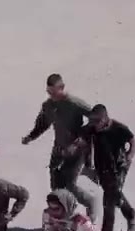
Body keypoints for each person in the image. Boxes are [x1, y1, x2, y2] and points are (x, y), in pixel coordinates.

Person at [21, 73, 101, 223]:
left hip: (76, 151)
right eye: (48, 92)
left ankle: (90, 202)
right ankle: (62, 217)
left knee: (69, 184)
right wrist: (31, 137)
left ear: (62, 88)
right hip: (58, 149)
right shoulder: (48, 106)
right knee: (55, 186)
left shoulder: (74, 103)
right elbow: (42, 124)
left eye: (54, 92)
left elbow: (96, 119)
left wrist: (79, 140)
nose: (51, 96)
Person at [86, 104, 135, 231]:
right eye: (92, 120)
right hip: (102, 168)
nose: (94, 124)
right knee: (115, 195)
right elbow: (87, 146)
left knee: (109, 199)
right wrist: (89, 167)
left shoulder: (119, 128)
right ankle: (131, 214)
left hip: (119, 167)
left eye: (97, 121)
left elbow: (133, 142)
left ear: (105, 119)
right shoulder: (92, 129)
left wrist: (129, 157)